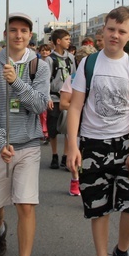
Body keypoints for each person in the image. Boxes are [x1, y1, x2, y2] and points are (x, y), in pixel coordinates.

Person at [67, 7, 129, 256]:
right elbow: (76, 106)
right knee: (98, 208)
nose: (115, 35)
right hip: (92, 144)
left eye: (122, 31)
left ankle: (121, 252)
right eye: (111, 29)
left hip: (126, 146)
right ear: (103, 31)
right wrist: (72, 146)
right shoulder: (88, 64)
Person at [0, 12, 50, 256]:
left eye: (23, 31)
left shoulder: (39, 66)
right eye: (12, 30)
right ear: (5, 33)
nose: (18, 35)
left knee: (26, 204)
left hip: (29, 144)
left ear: (30, 35)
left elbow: (41, 106)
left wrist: (16, 83)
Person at [59, 44, 97, 196]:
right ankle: (75, 179)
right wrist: (79, 107)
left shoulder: (99, 77)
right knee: (75, 154)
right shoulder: (72, 79)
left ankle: (91, 183)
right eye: (82, 61)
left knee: (93, 156)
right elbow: (63, 103)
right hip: (77, 123)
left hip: (95, 124)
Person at [46, 29, 76, 170]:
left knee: (68, 128)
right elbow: (45, 80)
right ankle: (54, 154)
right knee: (53, 129)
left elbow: (75, 77)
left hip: (68, 99)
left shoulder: (71, 58)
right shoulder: (49, 59)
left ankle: (65, 155)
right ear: (58, 41)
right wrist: (47, 97)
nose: (69, 41)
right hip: (54, 98)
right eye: (67, 39)